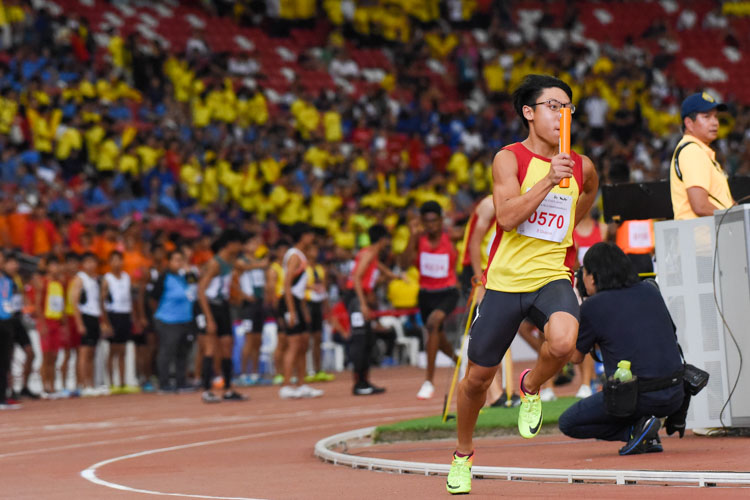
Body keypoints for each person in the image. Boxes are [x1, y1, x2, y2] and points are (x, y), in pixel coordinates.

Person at [447, 74, 598, 495]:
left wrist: (566, 215)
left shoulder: (582, 166)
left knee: (566, 344)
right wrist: (549, 179)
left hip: (551, 275)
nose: (562, 114)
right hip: (505, 282)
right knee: (477, 379)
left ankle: (530, 386)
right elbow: (509, 217)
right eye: (553, 105)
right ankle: (463, 454)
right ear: (529, 113)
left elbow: (586, 199)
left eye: (567, 107)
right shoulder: (508, 159)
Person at [559, 242, 685, 455]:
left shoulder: (593, 306)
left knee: (569, 422)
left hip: (634, 398)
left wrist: (569, 313)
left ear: (592, 276)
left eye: (584, 272)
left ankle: (634, 432)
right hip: (675, 394)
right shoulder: (650, 289)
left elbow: (575, 357)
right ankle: (645, 431)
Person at [403, 201, 460, 400]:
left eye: (434, 221)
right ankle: (457, 361)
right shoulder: (418, 239)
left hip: (448, 292)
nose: (430, 226)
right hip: (426, 294)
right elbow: (403, 263)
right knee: (437, 333)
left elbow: (471, 235)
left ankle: (428, 381)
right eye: (426, 222)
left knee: (433, 323)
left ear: (440, 220)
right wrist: (411, 235)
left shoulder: (451, 236)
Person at [345, 224, 401, 395]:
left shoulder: (371, 254)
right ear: (383, 239)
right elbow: (356, 278)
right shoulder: (369, 254)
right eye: (387, 240)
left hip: (359, 297)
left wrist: (395, 277)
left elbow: (380, 269)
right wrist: (362, 304)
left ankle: (364, 382)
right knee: (361, 339)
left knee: (368, 339)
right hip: (356, 299)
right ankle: (359, 384)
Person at [197, 229, 247, 403]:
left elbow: (244, 267)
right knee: (210, 346)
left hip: (223, 305)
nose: (241, 247)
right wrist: (209, 318)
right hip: (210, 305)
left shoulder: (231, 261)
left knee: (228, 345)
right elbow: (201, 291)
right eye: (239, 243)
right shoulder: (215, 264)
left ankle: (228, 388)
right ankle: (206, 390)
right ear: (230, 244)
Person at [670, 92, 734, 220]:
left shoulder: (699, 151)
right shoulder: (692, 151)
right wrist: (736, 218)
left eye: (716, 117)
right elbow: (700, 206)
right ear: (689, 123)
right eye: (707, 117)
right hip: (702, 237)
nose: (715, 123)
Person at [279, 222, 323, 399]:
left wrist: (303, 308)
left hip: (298, 302)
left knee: (304, 344)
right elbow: (287, 285)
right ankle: (286, 385)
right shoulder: (294, 256)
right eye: (310, 234)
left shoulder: (301, 256)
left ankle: (302, 384)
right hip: (289, 302)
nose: (312, 238)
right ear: (303, 236)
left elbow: (299, 287)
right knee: (294, 344)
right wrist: (292, 311)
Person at [152, 250, 196, 392]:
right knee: (167, 351)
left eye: (181, 260)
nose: (179, 263)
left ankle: (181, 381)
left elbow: (194, 285)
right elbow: (153, 298)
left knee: (183, 352)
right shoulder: (164, 277)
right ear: (169, 262)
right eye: (176, 260)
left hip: (185, 319)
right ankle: (164, 383)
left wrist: (188, 270)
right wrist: (159, 315)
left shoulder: (184, 277)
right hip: (168, 320)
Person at [101, 251, 139, 394]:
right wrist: (105, 321)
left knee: (123, 350)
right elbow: (102, 301)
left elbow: (130, 298)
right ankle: (111, 382)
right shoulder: (107, 279)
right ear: (110, 263)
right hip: (113, 315)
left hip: (125, 314)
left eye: (119, 260)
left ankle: (122, 382)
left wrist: (133, 317)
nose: (117, 263)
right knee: (113, 350)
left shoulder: (126, 277)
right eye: (114, 260)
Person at [70, 252, 107, 397]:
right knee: (84, 353)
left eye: (93, 262)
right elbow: (74, 302)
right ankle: (84, 384)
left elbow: (99, 301)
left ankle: (91, 383)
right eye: (87, 262)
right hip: (85, 316)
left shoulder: (96, 280)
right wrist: (79, 323)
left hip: (94, 317)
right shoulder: (80, 279)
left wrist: (102, 321)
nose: (90, 265)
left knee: (92, 352)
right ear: (83, 264)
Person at [235, 232, 270, 385]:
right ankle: (243, 374)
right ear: (245, 246)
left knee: (258, 340)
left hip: (259, 303)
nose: (256, 246)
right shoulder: (241, 261)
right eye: (253, 243)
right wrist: (242, 294)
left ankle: (255, 373)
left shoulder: (258, 261)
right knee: (248, 340)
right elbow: (235, 278)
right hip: (248, 306)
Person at [7, 253, 37, 399]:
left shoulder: (17, 279)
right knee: (8, 356)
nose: (15, 266)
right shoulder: (3, 280)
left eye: (16, 263)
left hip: (18, 320)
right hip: (7, 320)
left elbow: (22, 297)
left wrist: (30, 309)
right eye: (11, 263)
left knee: (31, 353)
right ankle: (10, 390)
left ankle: (25, 387)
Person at [34, 256, 66, 397]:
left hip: (56, 323)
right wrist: (42, 324)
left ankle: (52, 386)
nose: (55, 268)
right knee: (46, 357)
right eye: (52, 265)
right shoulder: (43, 283)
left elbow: (61, 305)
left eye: (57, 265)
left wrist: (63, 322)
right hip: (46, 322)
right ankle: (44, 387)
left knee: (54, 356)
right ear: (47, 268)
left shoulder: (59, 284)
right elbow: (38, 305)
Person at [303, 243, 334, 384]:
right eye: (312, 249)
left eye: (316, 249)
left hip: (317, 305)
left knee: (317, 338)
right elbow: (296, 285)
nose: (315, 252)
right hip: (306, 303)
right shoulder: (302, 268)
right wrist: (311, 286)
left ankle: (318, 370)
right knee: (304, 340)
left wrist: (327, 310)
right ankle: (305, 370)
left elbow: (324, 289)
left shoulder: (321, 269)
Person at [0, 252, 21, 409]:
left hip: (7, 322)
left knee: (6, 361)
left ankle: (4, 396)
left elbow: (13, 302)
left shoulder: (8, 281)